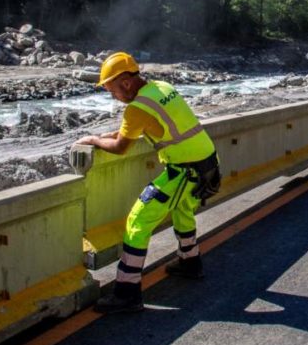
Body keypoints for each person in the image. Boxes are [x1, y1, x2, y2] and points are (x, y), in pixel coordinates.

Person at [74, 52, 220, 314]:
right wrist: (101, 134)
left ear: (126, 83)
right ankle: (190, 262)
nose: (113, 96)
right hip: (207, 161)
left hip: (184, 171)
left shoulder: (137, 108)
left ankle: (127, 293)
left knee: (137, 222)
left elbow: (120, 146)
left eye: (112, 90)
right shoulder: (160, 88)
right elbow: (131, 130)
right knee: (182, 210)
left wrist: (93, 140)